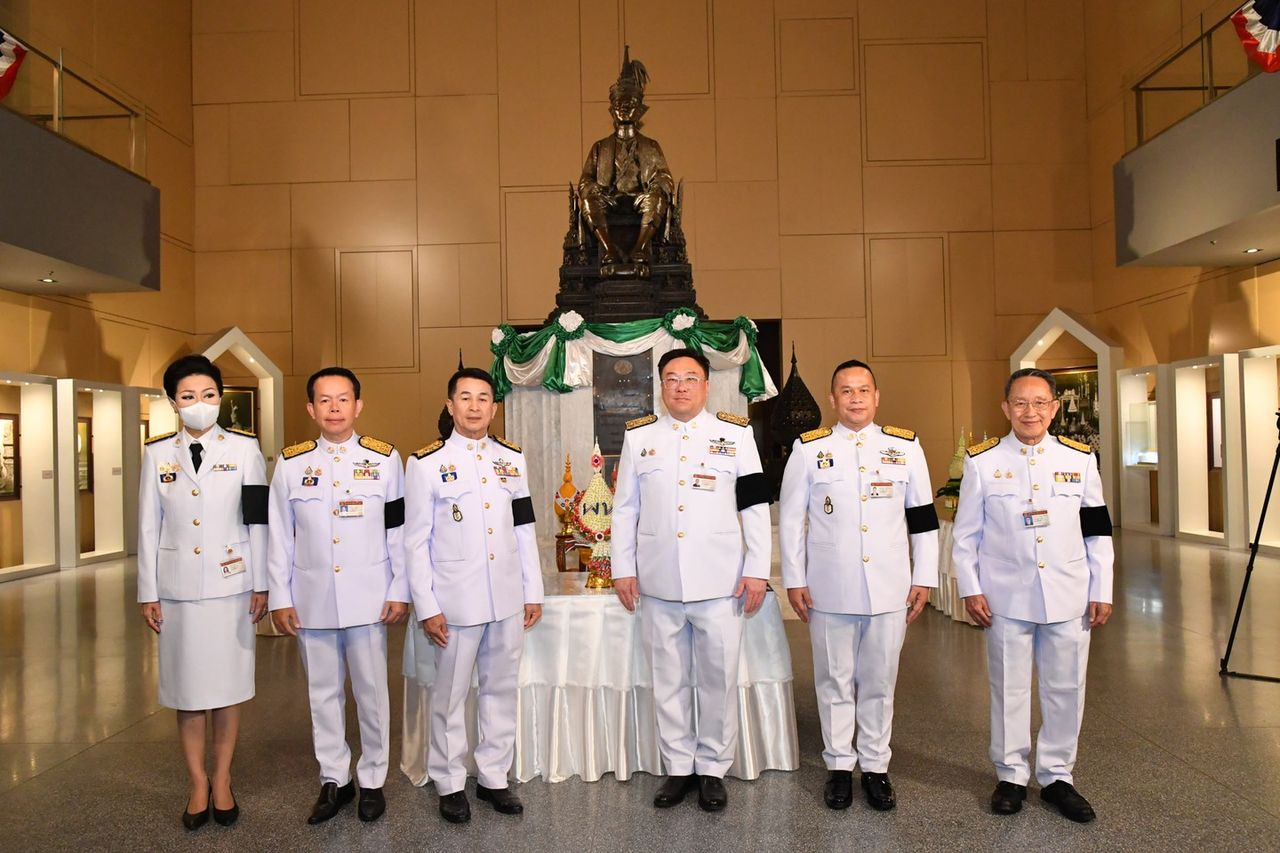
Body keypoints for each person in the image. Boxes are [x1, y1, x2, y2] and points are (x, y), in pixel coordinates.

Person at [611, 347, 772, 812]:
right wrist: (623, 568)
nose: (681, 386)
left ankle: (713, 768)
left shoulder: (735, 435)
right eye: (672, 379)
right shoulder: (640, 437)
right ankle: (679, 766)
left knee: (718, 679)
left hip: (720, 582)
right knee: (668, 680)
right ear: (661, 387)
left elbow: (754, 507)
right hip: (659, 581)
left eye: (690, 378)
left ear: (706, 385)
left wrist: (757, 569)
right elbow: (625, 509)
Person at [952, 367, 1114, 823]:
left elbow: (1098, 531)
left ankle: (1058, 776)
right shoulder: (983, 461)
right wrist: (971, 588)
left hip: (1068, 593)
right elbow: (966, 535)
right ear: (1006, 408)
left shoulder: (1079, 459)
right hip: (1006, 597)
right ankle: (1010, 776)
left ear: (1054, 408)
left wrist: (1102, 587)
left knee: (1066, 687)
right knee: (1009, 687)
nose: (1030, 412)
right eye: (1021, 403)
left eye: (1040, 403)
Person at [778, 359, 939, 812]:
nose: (855, 398)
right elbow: (790, 520)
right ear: (833, 399)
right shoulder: (809, 448)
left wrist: (925, 576)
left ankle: (875, 766)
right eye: (846, 391)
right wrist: (795, 578)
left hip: (890, 587)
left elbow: (923, 519)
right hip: (829, 586)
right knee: (834, 679)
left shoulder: (904, 447)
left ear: (876, 396)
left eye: (863, 390)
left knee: (880, 680)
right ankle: (838, 765)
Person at [267, 367, 410, 825]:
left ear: (358, 405)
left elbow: (397, 529)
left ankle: (372, 779)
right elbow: (279, 536)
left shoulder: (385, 459)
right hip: (311, 599)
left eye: (343, 399)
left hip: (369, 597)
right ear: (311, 409)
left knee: (372, 693)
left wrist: (399, 587)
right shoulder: (291, 464)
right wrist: (279, 597)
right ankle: (335, 778)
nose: (334, 408)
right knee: (322, 694)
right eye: (324, 400)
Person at [404, 367, 544, 824]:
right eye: (464, 397)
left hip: (505, 596)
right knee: (449, 695)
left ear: (494, 407)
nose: (474, 406)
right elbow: (415, 542)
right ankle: (448, 782)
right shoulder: (425, 463)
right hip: (455, 602)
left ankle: (493, 776)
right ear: (450, 406)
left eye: (483, 398)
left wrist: (532, 590)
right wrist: (427, 606)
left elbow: (524, 527)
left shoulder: (512, 458)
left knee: (500, 690)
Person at [137, 354, 269, 830]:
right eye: (189, 396)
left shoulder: (246, 450)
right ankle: (197, 782)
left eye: (209, 394)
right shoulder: (156, 454)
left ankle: (223, 778)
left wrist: (262, 582)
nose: (200, 403)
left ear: (220, 397)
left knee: (227, 688)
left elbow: (258, 519)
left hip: (232, 587)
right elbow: (147, 526)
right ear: (174, 402)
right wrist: (147, 591)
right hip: (177, 590)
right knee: (189, 691)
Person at [578, 46, 674, 276]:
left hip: (639, 200)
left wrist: (654, 188)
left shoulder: (651, 146)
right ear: (612, 110)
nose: (624, 109)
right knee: (589, 202)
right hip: (610, 200)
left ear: (639, 110)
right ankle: (608, 249)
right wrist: (595, 190)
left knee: (656, 200)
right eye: (619, 104)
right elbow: (585, 181)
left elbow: (665, 178)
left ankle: (640, 248)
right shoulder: (600, 147)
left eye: (629, 104)